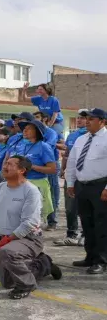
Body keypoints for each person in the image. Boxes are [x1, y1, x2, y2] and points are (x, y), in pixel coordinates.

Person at [0, 156, 62, 299]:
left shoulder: (31, 191)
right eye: (5, 163)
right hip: (7, 239)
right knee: (7, 282)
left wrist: (6, 241)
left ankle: (26, 285)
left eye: (10, 164)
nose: (5, 167)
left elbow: (29, 223)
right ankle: (44, 264)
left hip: (29, 238)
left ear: (22, 170)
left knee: (6, 252)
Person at [66, 108, 107, 274]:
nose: (87, 121)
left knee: (102, 225)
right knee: (87, 223)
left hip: (100, 186)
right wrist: (70, 182)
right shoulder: (81, 139)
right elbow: (72, 161)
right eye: (86, 118)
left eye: (92, 118)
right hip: (82, 186)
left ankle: (102, 260)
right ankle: (90, 256)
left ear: (102, 121)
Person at [7, 120, 56, 223]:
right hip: (20, 184)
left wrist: (31, 166)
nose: (24, 130)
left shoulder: (43, 146)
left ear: (37, 132)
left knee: (32, 220)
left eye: (28, 129)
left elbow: (52, 169)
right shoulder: (23, 146)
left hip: (36, 184)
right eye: (24, 128)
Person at [55, 110, 88, 246]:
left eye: (83, 118)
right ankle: (72, 234)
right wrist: (63, 168)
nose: (79, 120)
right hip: (71, 174)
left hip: (85, 176)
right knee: (70, 207)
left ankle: (86, 234)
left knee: (85, 207)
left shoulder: (91, 135)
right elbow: (67, 154)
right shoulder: (73, 136)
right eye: (78, 117)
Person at [33, 111, 59, 231]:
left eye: (37, 117)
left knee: (50, 194)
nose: (35, 120)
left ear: (45, 119)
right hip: (37, 167)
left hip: (49, 164)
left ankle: (52, 221)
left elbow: (48, 145)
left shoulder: (51, 132)